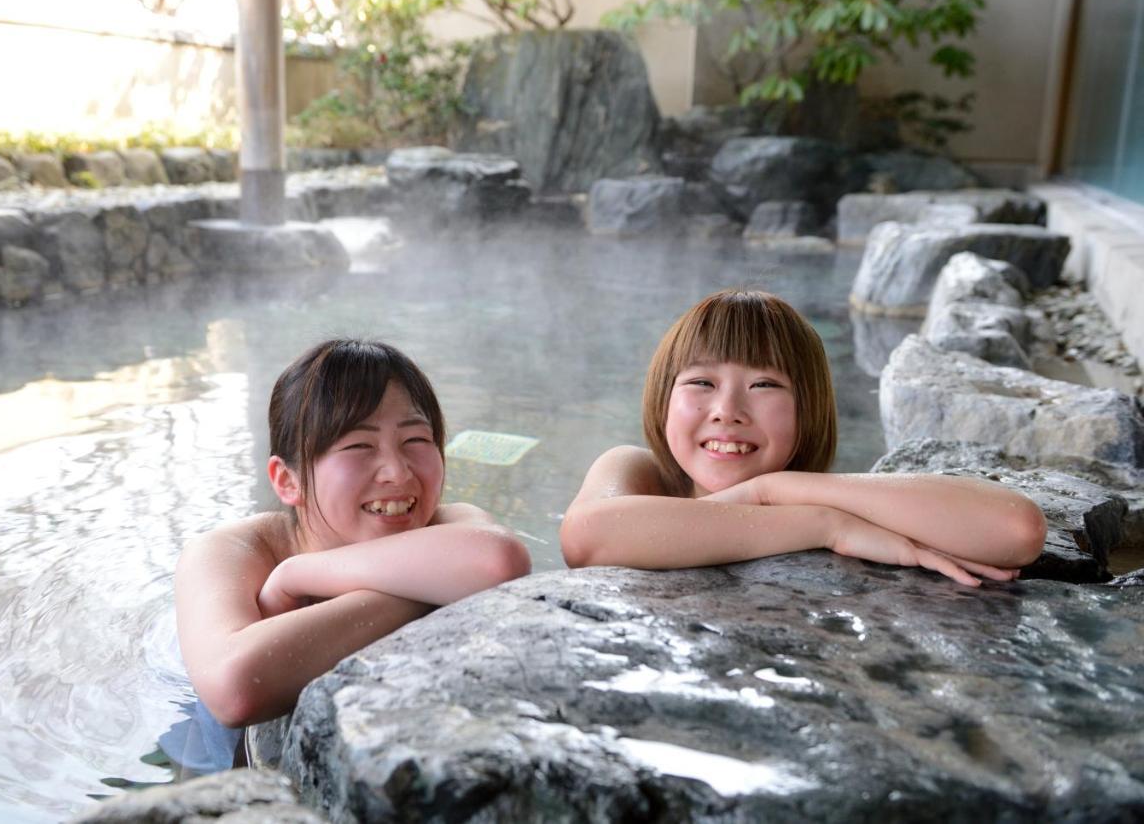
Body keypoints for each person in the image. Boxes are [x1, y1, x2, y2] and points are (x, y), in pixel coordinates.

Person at [561, 289, 1046, 585]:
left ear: (808, 408)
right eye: (701, 382)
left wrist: (776, 489)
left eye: (764, 384)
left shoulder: (828, 496)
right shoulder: (637, 470)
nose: (727, 411)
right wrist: (824, 527)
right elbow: (587, 539)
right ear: (662, 397)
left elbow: (1016, 529)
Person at [175, 339, 532, 735]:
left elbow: (501, 561)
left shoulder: (448, 522)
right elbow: (235, 690)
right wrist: (430, 591)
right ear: (287, 480)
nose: (397, 472)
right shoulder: (232, 551)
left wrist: (299, 574)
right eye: (359, 445)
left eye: (415, 440)